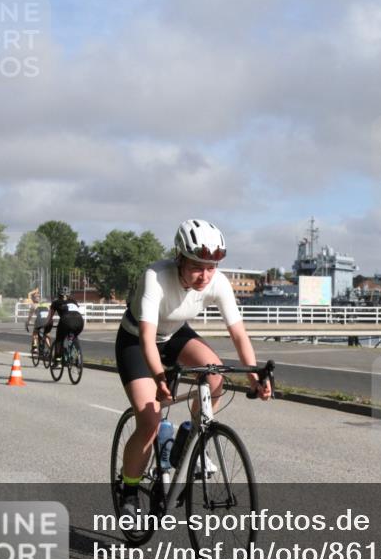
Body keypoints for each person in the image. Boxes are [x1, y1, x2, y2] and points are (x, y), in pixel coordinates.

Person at [116, 219, 271, 515]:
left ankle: (189, 436)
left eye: (211, 268)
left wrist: (254, 374)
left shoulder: (218, 282)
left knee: (215, 376)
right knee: (150, 420)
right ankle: (130, 487)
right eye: (196, 267)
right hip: (136, 340)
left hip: (175, 334)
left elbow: (238, 333)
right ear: (179, 259)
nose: (204, 276)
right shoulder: (156, 277)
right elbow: (148, 337)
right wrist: (159, 376)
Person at [43, 287, 85, 362]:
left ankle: (57, 360)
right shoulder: (73, 301)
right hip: (79, 321)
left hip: (66, 321)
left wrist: (46, 326)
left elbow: (50, 318)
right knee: (74, 335)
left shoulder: (56, 302)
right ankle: (76, 354)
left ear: (59, 294)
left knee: (59, 339)